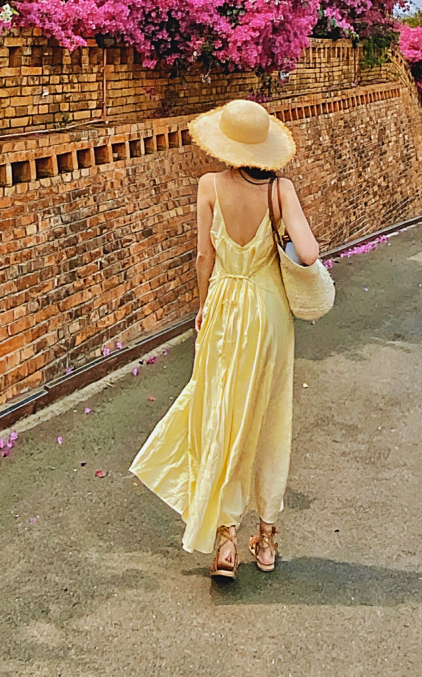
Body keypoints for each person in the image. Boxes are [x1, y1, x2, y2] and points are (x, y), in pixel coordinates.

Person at [130, 98, 324, 579]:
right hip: (270, 314)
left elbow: (203, 258)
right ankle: (268, 540)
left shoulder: (209, 185)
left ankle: (225, 541)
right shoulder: (280, 190)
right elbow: (309, 252)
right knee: (269, 419)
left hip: (224, 308)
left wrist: (202, 307)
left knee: (222, 414)